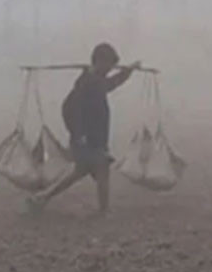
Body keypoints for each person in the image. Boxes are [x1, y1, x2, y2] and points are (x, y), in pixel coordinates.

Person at [27, 43, 139, 215]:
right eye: (108, 65)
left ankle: (41, 198)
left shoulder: (94, 80)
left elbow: (109, 84)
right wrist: (79, 134)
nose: (109, 69)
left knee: (81, 172)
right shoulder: (87, 82)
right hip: (88, 138)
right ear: (99, 61)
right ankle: (103, 211)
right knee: (101, 168)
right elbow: (71, 108)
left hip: (94, 137)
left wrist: (128, 72)